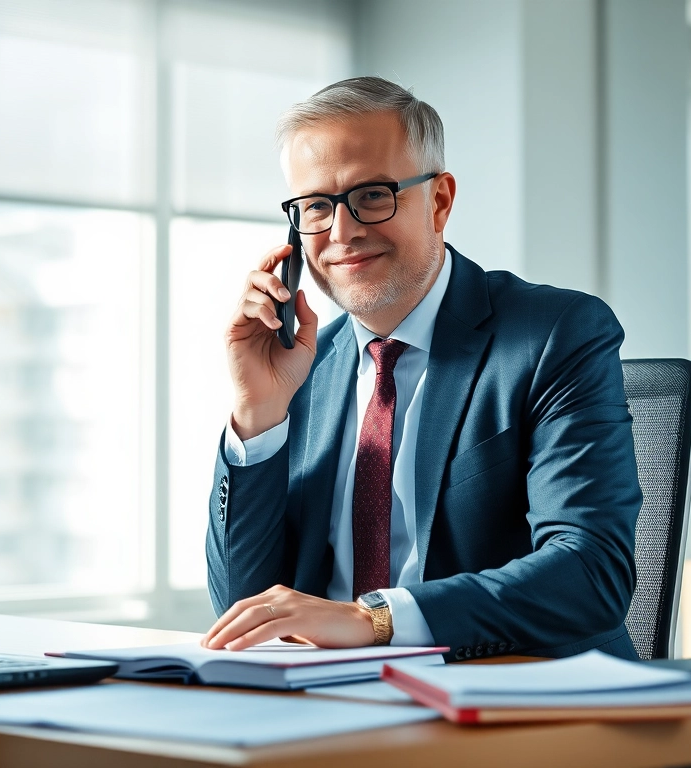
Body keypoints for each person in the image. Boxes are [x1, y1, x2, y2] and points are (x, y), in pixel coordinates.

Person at [201, 76, 642, 661]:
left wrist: (375, 620)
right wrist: (257, 413)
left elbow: (590, 572)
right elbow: (243, 608)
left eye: (372, 195)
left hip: (512, 691)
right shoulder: (300, 367)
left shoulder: (555, 334)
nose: (342, 232)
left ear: (439, 202)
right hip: (337, 697)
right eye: (316, 207)